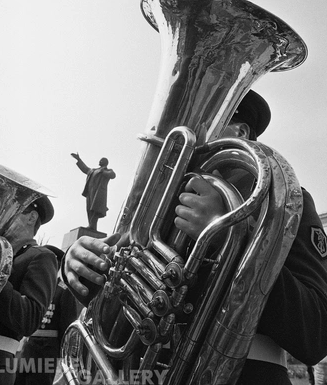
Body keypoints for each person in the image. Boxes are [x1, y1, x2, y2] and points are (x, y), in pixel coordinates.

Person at [63, 91, 327, 385]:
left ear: (239, 131)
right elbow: (114, 295)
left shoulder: (284, 203)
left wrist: (229, 236)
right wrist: (80, 264)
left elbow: (315, 333)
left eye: (197, 120)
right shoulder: (157, 203)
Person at [0, 196, 58, 385]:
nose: (2, 216)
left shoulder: (41, 256)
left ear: (31, 217)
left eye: (11, 210)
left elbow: (30, 319)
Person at [14, 245, 79, 385]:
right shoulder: (35, 288)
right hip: (29, 346)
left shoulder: (64, 291)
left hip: (47, 350)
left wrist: (64, 356)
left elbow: (67, 325)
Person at [71, 153, 116, 231]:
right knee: (89, 209)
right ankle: (91, 225)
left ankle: (92, 226)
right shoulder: (93, 170)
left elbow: (112, 175)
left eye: (101, 160)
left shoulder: (107, 170)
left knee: (95, 209)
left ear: (105, 162)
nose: (99, 161)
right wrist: (79, 159)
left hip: (99, 193)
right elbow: (85, 169)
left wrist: (103, 171)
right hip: (90, 192)